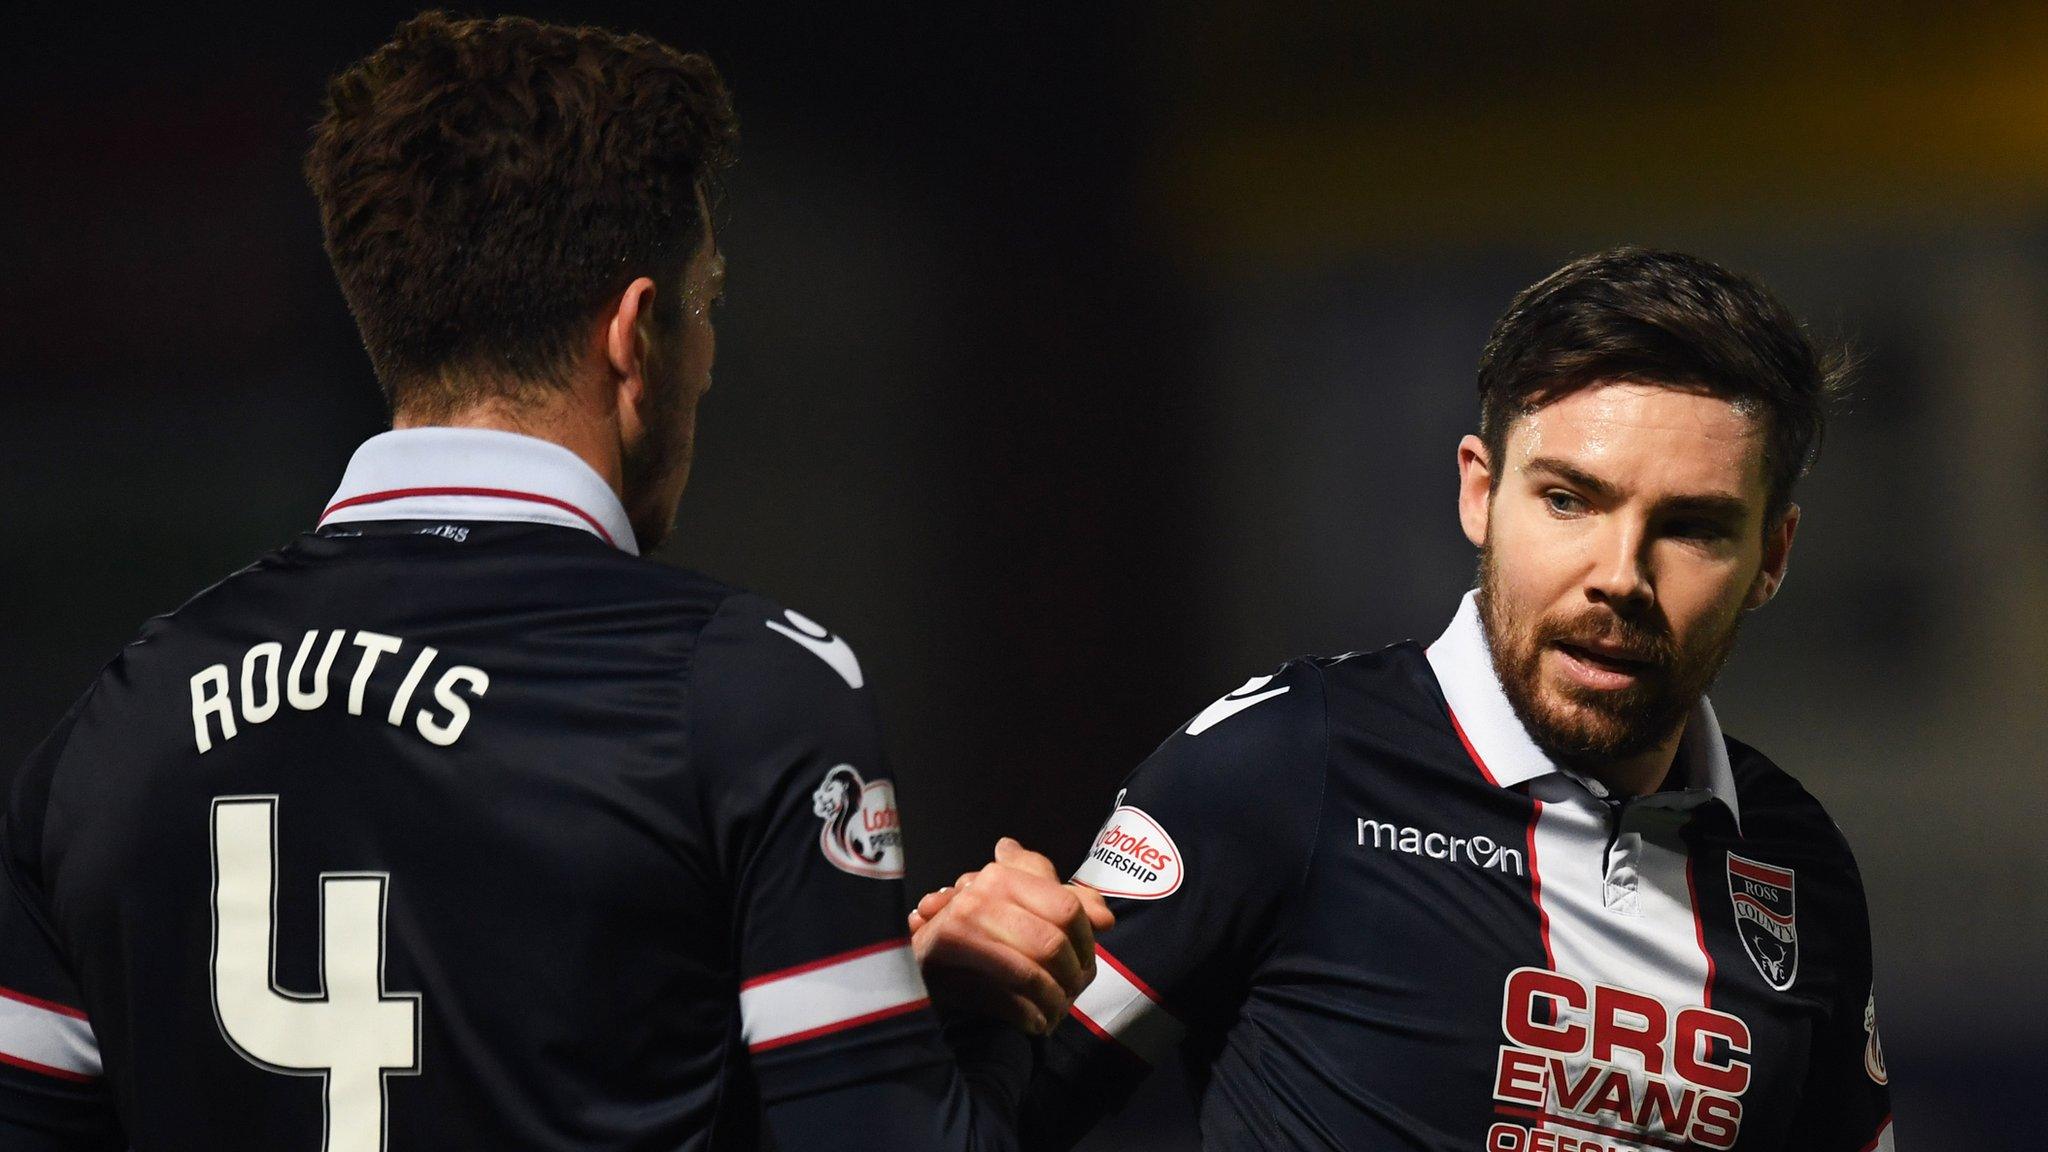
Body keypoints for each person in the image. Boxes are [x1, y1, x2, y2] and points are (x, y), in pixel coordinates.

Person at [0, 13, 1100, 1150]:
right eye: (706, 302)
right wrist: (970, 1027)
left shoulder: (107, 735)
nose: (708, 358)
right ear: (634, 334)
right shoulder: (740, 692)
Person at [913, 249, 1897, 1150]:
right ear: (1479, 493)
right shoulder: (1288, 765)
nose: (1618, 576)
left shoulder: (1793, 863)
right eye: (1567, 500)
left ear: (1769, 558)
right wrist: (938, 1007)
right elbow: (974, 1124)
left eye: (1690, 527)